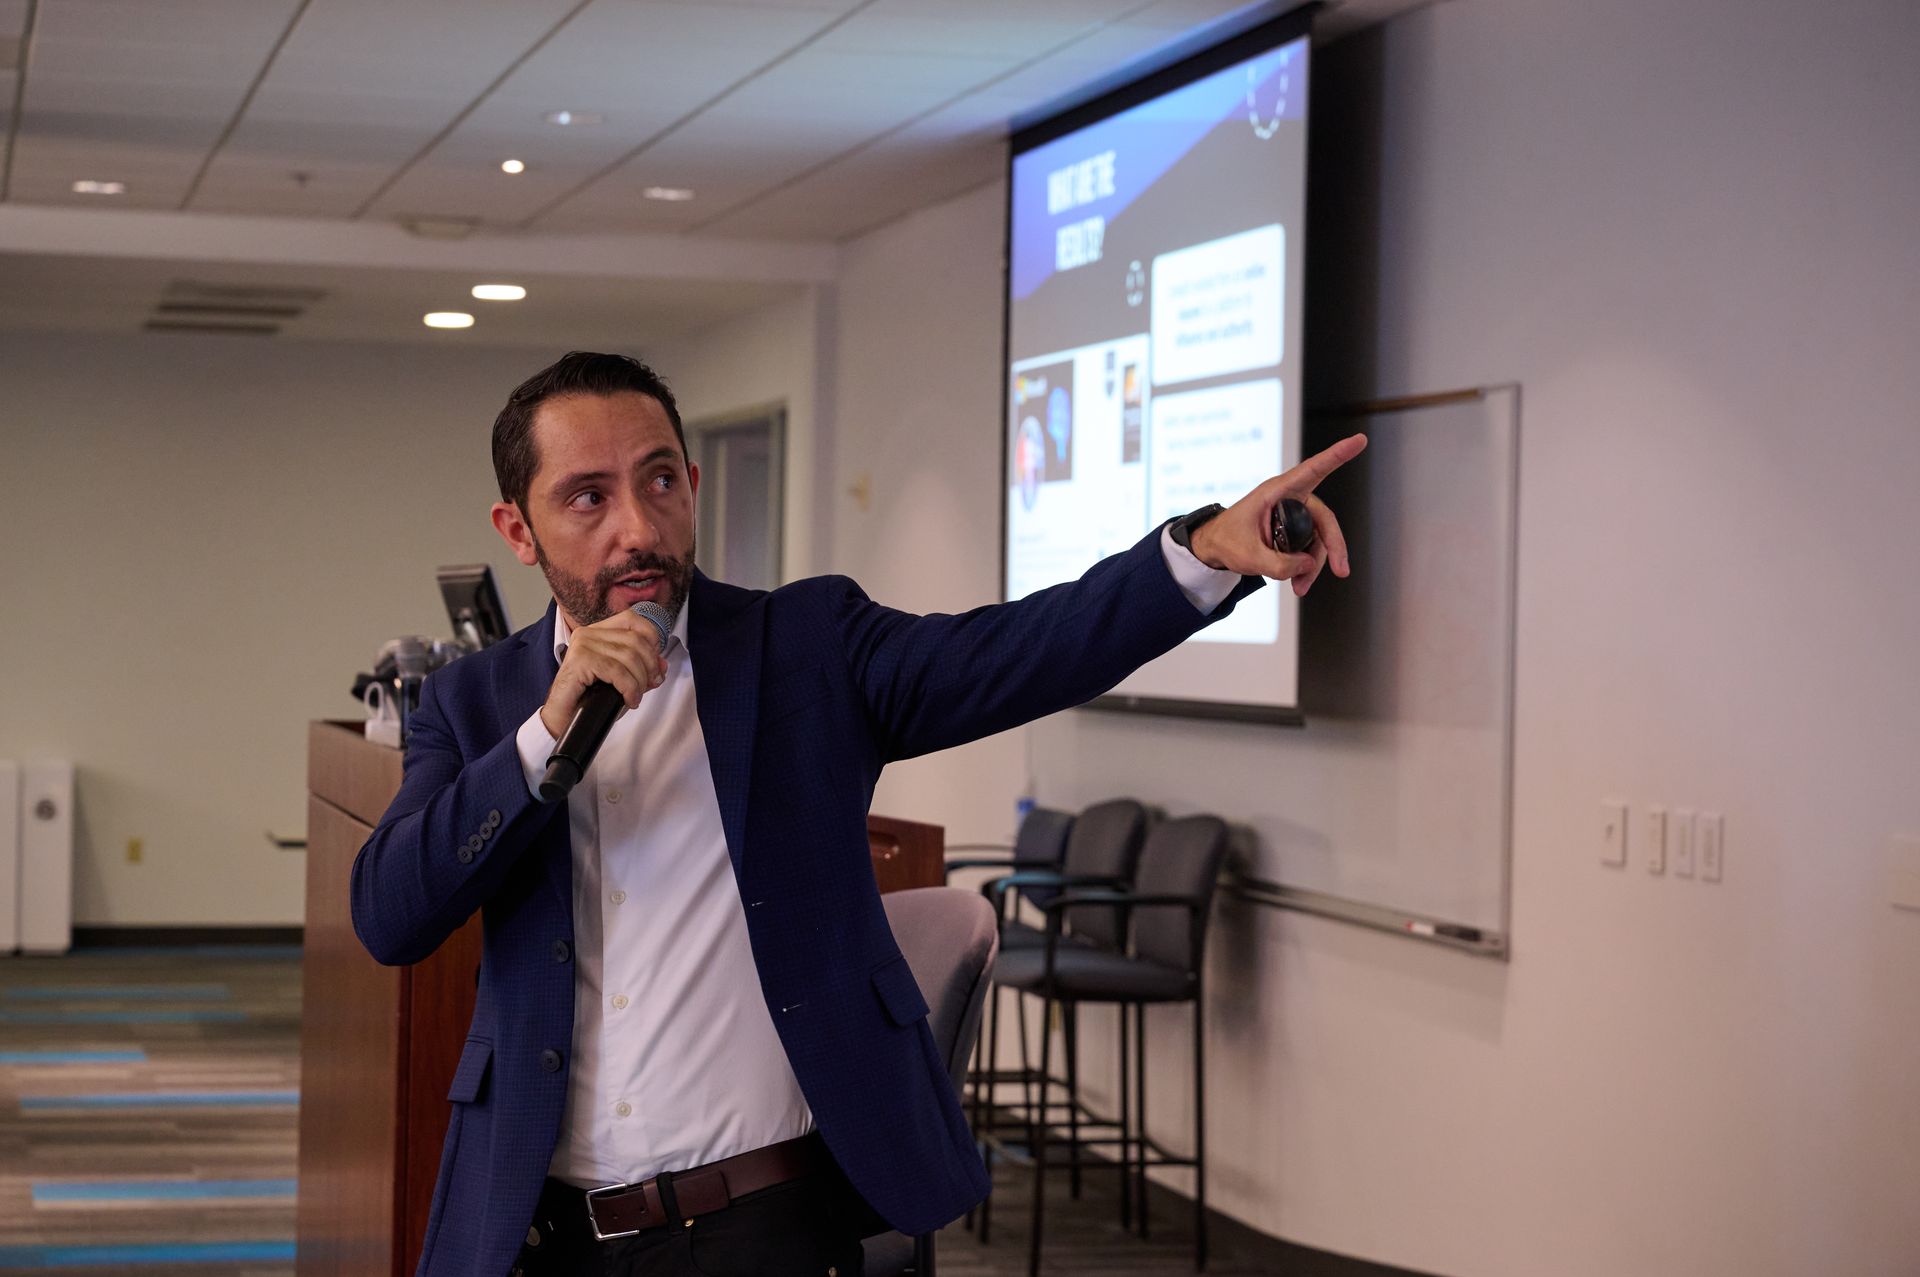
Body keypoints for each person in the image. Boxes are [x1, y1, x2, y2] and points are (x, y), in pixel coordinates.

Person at [351, 351, 1365, 1277]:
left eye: (661, 479)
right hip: (538, 1228)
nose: (639, 525)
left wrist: (1201, 554)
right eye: (589, 496)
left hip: (758, 1220)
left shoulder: (806, 647)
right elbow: (393, 912)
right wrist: (544, 735)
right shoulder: (475, 703)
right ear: (517, 529)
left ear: (694, 485)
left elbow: (1018, 649)